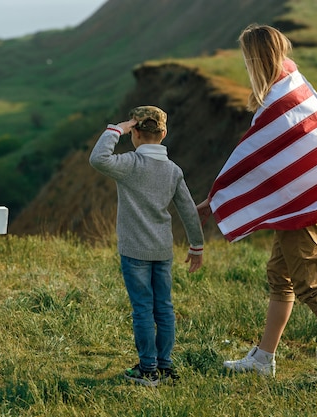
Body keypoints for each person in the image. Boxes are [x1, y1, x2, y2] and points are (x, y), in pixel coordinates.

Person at [197, 24, 317, 382]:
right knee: (281, 278)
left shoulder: (281, 98)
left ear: (256, 58)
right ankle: (264, 358)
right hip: (305, 195)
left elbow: (253, 160)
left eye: (247, 56)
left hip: (304, 201)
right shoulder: (289, 79)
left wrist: (214, 200)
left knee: (311, 285)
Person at [89, 105, 204, 387]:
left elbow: (98, 159)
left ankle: (148, 369)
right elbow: (188, 210)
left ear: (135, 133)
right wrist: (196, 246)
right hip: (162, 251)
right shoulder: (173, 170)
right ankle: (165, 367)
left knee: (142, 309)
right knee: (164, 308)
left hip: (134, 251)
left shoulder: (129, 164)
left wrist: (116, 128)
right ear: (164, 133)